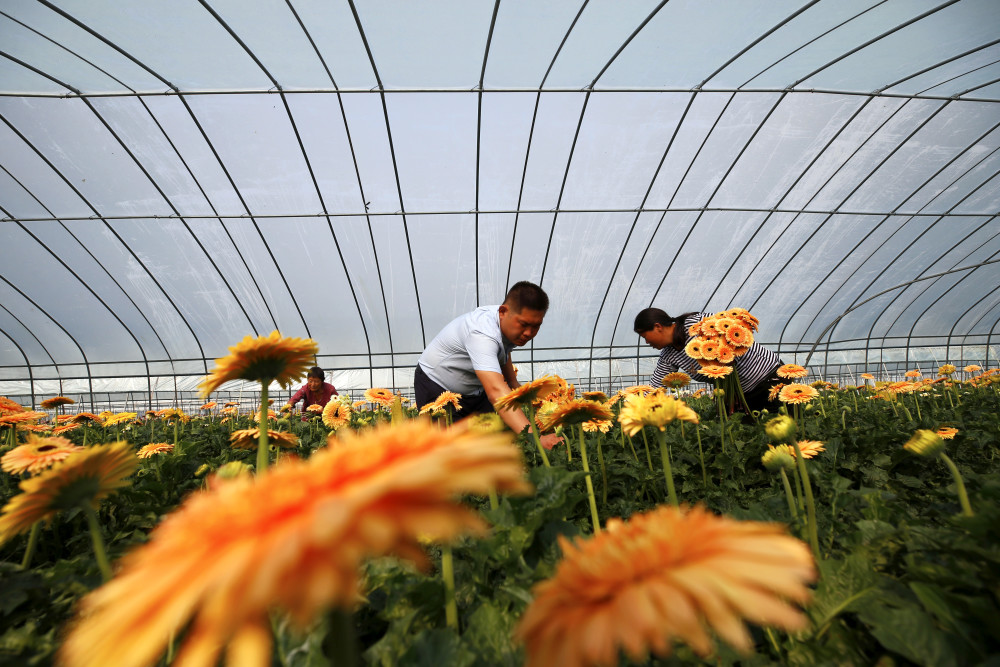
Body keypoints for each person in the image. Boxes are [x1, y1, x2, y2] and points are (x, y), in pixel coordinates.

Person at [415, 281, 562, 448]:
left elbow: (503, 351)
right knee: (448, 450)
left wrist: (513, 383)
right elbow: (496, 391)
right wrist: (536, 439)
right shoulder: (482, 333)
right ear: (503, 312)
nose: (529, 333)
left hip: (474, 390)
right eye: (524, 325)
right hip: (436, 385)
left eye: (536, 326)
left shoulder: (508, 324)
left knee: (488, 444)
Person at [633, 308, 784, 415]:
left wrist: (726, 351)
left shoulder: (696, 323)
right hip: (740, 396)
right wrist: (633, 406)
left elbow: (730, 326)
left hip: (769, 378)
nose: (646, 342)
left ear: (657, 327)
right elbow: (654, 388)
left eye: (644, 336)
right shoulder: (669, 354)